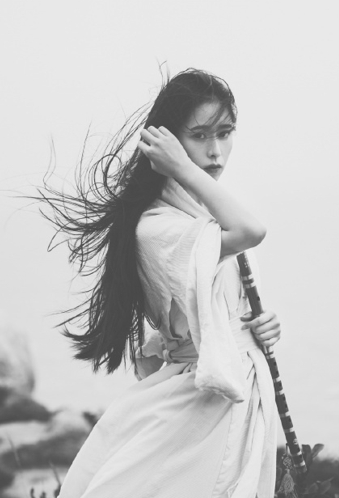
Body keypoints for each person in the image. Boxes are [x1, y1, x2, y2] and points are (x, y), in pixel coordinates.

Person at [36, 69, 281, 498]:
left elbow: (224, 304)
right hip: (200, 403)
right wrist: (183, 169)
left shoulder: (201, 213)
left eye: (225, 133)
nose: (215, 151)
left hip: (234, 397)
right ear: (169, 143)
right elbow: (251, 231)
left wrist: (260, 327)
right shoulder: (157, 227)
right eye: (199, 136)